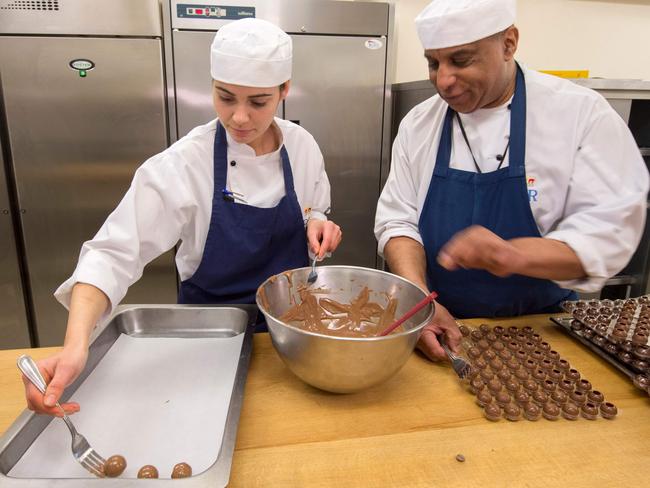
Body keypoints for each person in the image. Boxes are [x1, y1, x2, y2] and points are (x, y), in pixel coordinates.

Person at [23, 18, 342, 416]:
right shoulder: (184, 163)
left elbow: (315, 206)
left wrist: (316, 224)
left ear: (284, 91)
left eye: (257, 102)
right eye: (226, 98)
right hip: (207, 340)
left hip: (290, 338)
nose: (239, 118)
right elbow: (112, 254)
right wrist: (75, 345)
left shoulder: (302, 146)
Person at [374, 0, 649, 361]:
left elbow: (608, 234)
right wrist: (419, 300)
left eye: (460, 60)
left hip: (545, 326)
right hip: (441, 324)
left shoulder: (579, 114)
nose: (443, 80)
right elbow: (398, 221)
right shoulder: (419, 124)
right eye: (433, 62)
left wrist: (512, 254)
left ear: (509, 43)